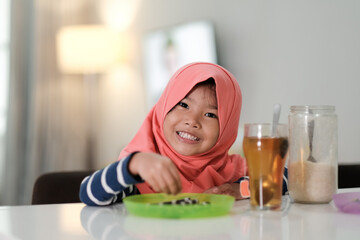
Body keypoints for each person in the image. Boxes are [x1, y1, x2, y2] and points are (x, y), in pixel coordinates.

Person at [79, 62, 286, 206]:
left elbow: (287, 179)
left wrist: (239, 189)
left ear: (227, 129)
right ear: (164, 108)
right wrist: (134, 164)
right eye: (184, 104)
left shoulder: (230, 171)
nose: (192, 121)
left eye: (210, 114)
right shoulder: (147, 172)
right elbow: (89, 193)